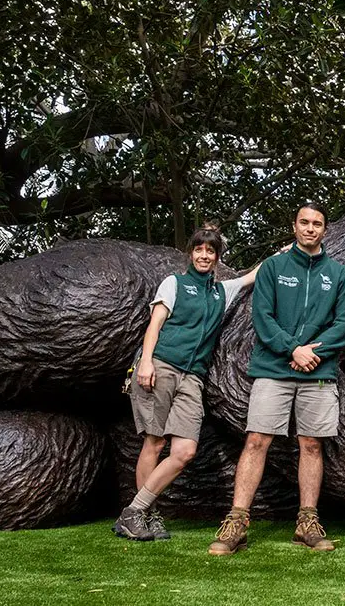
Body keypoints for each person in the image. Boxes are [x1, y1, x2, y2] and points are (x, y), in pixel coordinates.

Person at [209, 203, 345, 555]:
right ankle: (236, 522)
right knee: (257, 440)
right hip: (273, 369)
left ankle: (307, 522)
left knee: (311, 444)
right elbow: (262, 318)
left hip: (318, 371)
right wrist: (293, 350)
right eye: (304, 222)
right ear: (294, 226)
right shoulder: (273, 268)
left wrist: (312, 353)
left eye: (317, 223)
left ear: (325, 229)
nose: (310, 228)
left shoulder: (339, 275)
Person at [113, 225, 263, 542]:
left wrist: (291, 250)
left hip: (193, 377)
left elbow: (254, 274)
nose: (204, 255)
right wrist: (147, 361)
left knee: (184, 451)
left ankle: (134, 511)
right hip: (161, 367)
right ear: (191, 253)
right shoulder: (175, 283)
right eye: (199, 249)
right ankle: (146, 516)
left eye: (210, 251)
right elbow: (155, 325)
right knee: (154, 443)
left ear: (218, 258)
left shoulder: (222, 291)